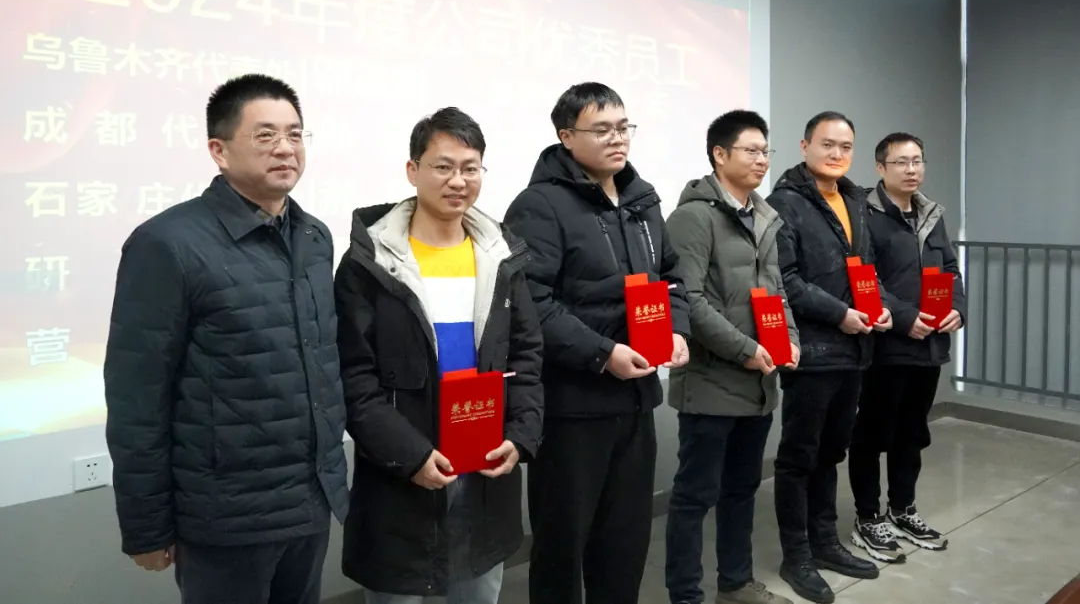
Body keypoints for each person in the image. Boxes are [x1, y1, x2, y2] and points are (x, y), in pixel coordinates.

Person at [103, 74, 349, 604]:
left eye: (295, 134)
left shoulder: (314, 237)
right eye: (265, 135)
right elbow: (136, 398)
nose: (285, 148)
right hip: (224, 515)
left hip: (309, 502)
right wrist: (146, 525)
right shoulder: (167, 244)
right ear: (219, 150)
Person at [333, 107, 544, 604]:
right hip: (403, 473)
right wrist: (409, 455)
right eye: (443, 166)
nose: (458, 181)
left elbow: (526, 355)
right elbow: (352, 375)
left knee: (479, 590)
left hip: (485, 466)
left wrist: (520, 434)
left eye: (470, 168)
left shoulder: (501, 256)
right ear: (413, 170)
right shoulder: (371, 262)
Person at [504, 82, 691, 604]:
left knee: (625, 541)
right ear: (566, 137)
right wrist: (603, 353)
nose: (618, 139)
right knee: (562, 546)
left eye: (624, 127)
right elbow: (531, 303)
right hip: (572, 408)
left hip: (635, 401)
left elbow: (673, 278)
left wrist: (677, 329)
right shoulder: (539, 205)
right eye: (602, 129)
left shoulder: (641, 200)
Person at [664, 110, 798, 604]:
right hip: (710, 384)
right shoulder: (694, 217)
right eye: (751, 150)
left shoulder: (763, 215)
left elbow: (776, 293)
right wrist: (746, 350)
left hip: (759, 381)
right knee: (694, 497)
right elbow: (689, 301)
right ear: (719, 155)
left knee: (741, 490)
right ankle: (685, 595)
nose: (762, 160)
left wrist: (789, 339)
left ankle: (735, 584)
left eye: (766, 151)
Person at [766, 111, 894, 604]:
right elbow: (786, 280)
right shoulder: (785, 203)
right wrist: (840, 314)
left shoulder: (855, 199)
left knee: (831, 453)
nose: (837, 154)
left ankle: (825, 542)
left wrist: (878, 307)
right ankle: (796, 555)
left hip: (855, 348)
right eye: (827, 144)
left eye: (846, 146)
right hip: (812, 350)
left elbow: (865, 269)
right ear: (805, 147)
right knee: (799, 456)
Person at [848, 133, 965, 562]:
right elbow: (863, 277)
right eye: (900, 162)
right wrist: (902, 318)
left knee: (912, 434)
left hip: (929, 345)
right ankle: (867, 517)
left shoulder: (931, 213)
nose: (911, 169)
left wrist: (958, 309)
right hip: (885, 347)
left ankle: (902, 509)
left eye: (917, 160)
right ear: (880, 168)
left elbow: (949, 268)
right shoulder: (864, 214)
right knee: (872, 433)